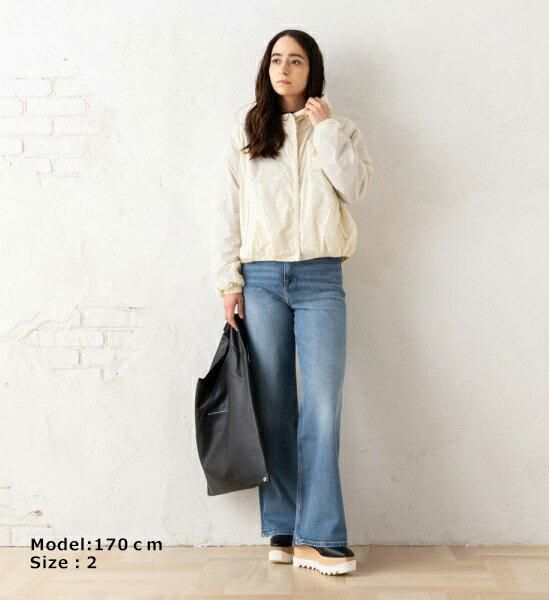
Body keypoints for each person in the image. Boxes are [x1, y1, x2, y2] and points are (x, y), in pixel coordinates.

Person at [210, 29, 373, 576]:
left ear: (311, 70)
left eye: (296, 60)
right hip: (260, 279)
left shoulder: (340, 128)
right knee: (273, 404)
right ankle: (283, 528)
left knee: (322, 405)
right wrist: (228, 283)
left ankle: (320, 535)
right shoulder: (247, 129)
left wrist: (325, 131)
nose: (284, 68)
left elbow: (355, 189)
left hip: (321, 277)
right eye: (276, 59)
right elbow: (227, 210)